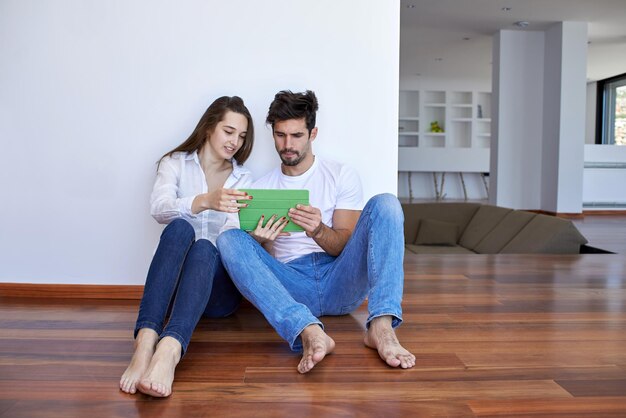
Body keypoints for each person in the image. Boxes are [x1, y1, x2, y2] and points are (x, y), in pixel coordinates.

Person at [217, 90, 415, 374]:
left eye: (296, 135)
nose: (288, 145)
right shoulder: (261, 187)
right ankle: (307, 330)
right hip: (292, 285)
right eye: (280, 135)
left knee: (386, 203)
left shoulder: (340, 174)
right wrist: (260, 240)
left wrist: (319, 230)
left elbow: (344, 245)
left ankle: (382, 328)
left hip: (339, 279)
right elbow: (261, 271)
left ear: (313, 133)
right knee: (229, 239)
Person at [119, 96, 254, 397]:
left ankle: (169, 350)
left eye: (242, 136)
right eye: (229, 131)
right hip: (175, 291)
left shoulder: (244, 177)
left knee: (207, 246)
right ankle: (145, 344)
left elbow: (233, 237)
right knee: (179, 227)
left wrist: (258, 233)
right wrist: (204, 201)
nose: (235, 141)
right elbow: (159, 208)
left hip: (218, 293)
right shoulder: (175, 163)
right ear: (209, 128)